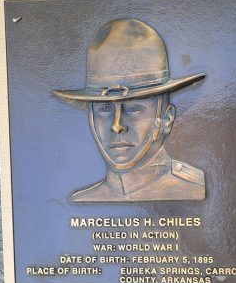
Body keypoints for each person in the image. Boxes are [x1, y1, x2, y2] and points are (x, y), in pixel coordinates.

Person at [54, 19, 206, 202]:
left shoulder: (193, 189)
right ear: (91, 117)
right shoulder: (82, 201)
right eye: (103, 108)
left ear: (167, 119)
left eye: (133, 108)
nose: (116, 126)